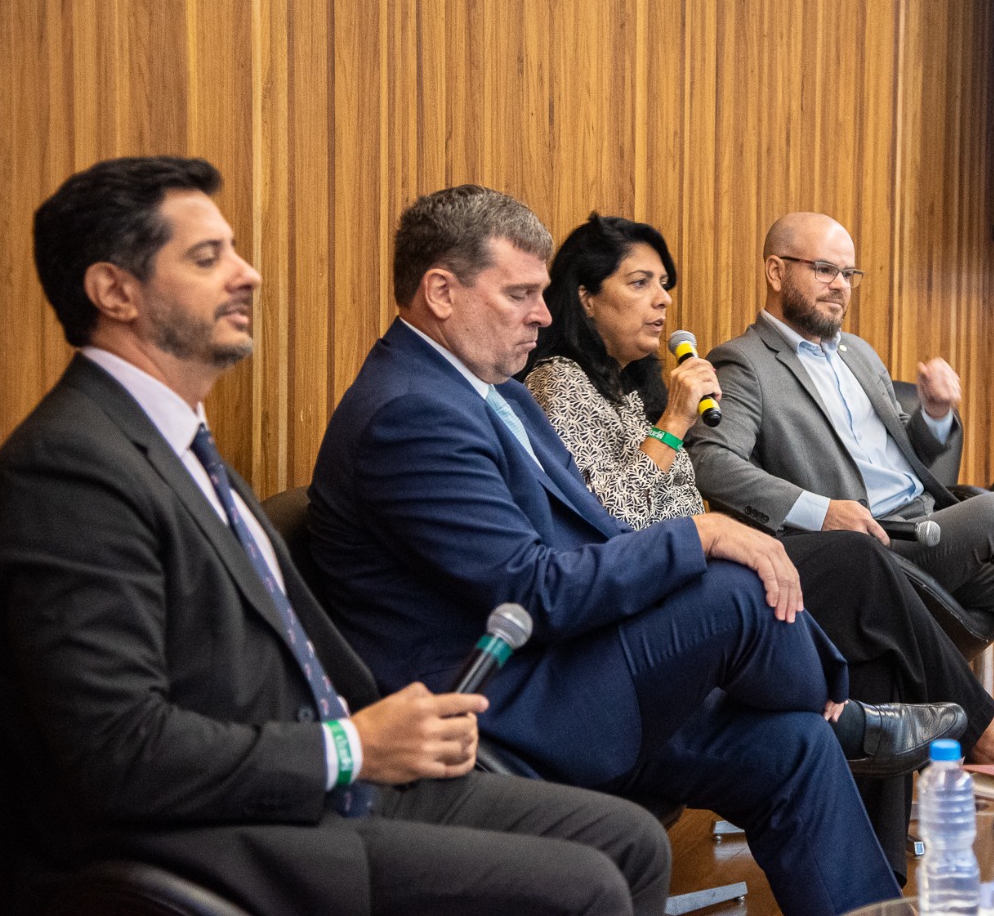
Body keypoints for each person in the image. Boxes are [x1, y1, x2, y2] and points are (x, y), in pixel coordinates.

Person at [0, 157, 673, 916]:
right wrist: (352, 747)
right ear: (114, 292)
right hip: (219, 832)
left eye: (234, 250)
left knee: (630, 841)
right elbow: (118, 754)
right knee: (584, 884)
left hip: (326, 780)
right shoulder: (68, 470)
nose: (249, 274)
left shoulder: (173, 439)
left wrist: (387, 736)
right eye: (208, 258)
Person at [307, 186, 959, 916]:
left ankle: (833, 733)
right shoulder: (410, 414)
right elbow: (534, 591)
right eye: (520, 293)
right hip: (504, 711)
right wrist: (698, 535)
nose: (543, 313)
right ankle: (846, 714)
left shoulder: (497, 393)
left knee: (793, 745)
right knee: (736, 588)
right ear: (440, 292)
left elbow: (596, 534)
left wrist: (694, 553)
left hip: (571, 669)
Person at [522, 212, 994, 880]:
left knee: (874, 642)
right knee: (863, 560)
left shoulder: (636, 386)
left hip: (701, 574)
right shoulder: (557, 384)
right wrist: (673, 428)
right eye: (639, 283)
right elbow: (603, 519)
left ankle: (880, 875)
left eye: (665, 284)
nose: (663, 300)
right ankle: (993, 734)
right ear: (584, 295)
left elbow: (680, 499)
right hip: (651, 605)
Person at [686, 211, 994, 873]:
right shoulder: (743, 364)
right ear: (774, 271)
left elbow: (919, 468)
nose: (840, 286)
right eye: (824, 269)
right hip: (862, 554)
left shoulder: (858, 354)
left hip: (926, 529)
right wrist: (820, 512)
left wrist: (934, 416)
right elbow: (714, 464)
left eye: (848, 273)